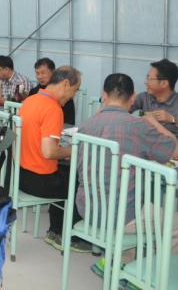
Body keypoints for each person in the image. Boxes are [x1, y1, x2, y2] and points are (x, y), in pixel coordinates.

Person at [77, 73, 177, 236]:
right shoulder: (139, 126)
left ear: (104, 95)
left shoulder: (86, 125)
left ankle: (126, 252)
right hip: (123, 215)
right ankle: (150, 252)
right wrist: (153, 122)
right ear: (133, 97)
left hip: (87, 209)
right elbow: (174, 151)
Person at [18, 66, 89, 252]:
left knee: (65, 174)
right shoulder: (53, 109)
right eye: (75, 90)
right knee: (81, 183)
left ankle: (55, 231)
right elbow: (49, 152)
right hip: (41, 180)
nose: (73, 96)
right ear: (65, 84)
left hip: (22, 175)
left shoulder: (30, 100)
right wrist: (73, 150)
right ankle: (70, 237)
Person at [131, 58, 178, 137]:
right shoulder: (143, 97)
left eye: (150, 79)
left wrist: (172, 119)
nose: (145, 82)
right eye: (147, 77)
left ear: (164, 83)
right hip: (145, 142)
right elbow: (129, 113)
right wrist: (144, 114)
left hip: (171, 143)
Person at [29, 58, 76, 124]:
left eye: (43, 73)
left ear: (53, 73)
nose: (40, 77)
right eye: (37, 73)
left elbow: (69, 122)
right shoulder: (33, 92)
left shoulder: (64, 95)